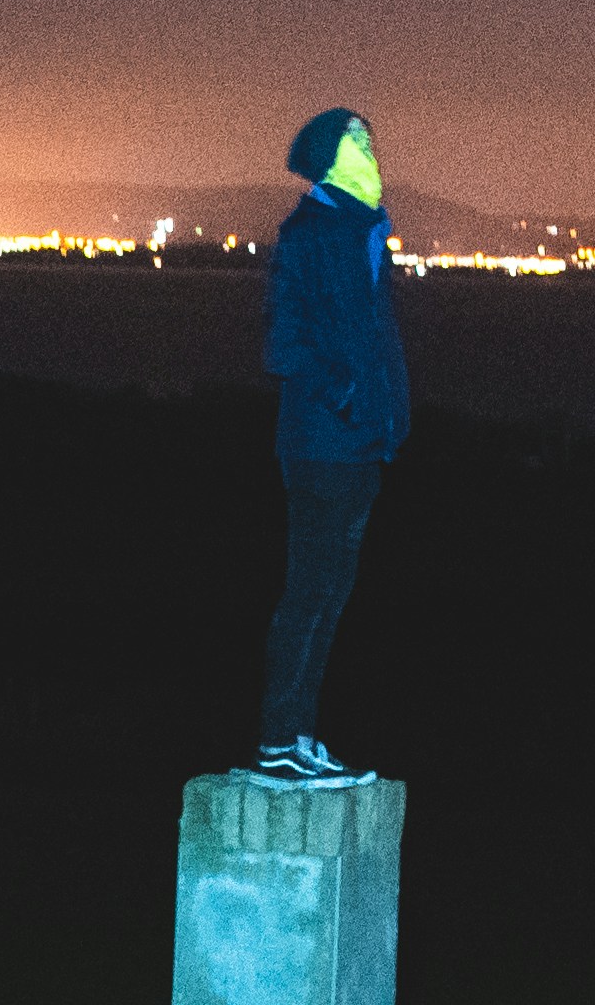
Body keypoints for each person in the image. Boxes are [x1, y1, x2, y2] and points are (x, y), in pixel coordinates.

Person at [246, 102, 408, 785]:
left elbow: (373, 336)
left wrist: (385, 415)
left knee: (329, 597)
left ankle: (299, 737)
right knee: (309, 593)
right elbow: (285, 342)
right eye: (356, 140)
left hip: (358, 442)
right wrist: (344, 394)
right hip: (323, 444)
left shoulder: (359, 227)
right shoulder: (314, 231)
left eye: (370, 138)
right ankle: (278, 740)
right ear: (329, 154)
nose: (370, 148)